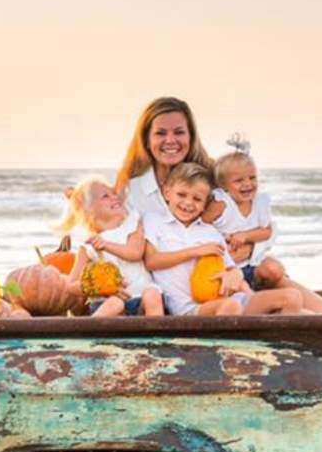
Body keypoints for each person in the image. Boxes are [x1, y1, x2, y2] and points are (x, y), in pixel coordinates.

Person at [144, 163, 306, 317]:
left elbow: (231, 268)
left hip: (231, 298)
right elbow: (152, 261)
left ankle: (276, 343)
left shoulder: (210, 232)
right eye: (181, 195)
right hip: (193, 308)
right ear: (167, 193)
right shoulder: (154, 222)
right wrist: (195, 251)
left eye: (197, 199)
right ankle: (222, 346)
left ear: (205, 204)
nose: (188, 203)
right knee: (231, 306)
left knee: (292, 297)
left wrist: (235, 275)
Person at [204, 141, 322, 315]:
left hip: (252, 265)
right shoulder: (221, 204)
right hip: (227, 269)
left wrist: (245, 236)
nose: (247, 184)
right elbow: (201, 226)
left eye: (252, 178)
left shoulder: (259, 202)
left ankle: (266, 293)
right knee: (246, 292)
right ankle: (258, 302)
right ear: (223, 186)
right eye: (239, 180)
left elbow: (267, 231)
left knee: (275, 269)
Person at [56, 177, 164, 317]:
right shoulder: (88, 245)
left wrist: (106, 245)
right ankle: (91, 332)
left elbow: (135, 253)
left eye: (114, 193)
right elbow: (71, 285)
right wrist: (103, 288)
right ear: (90, 209)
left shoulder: (132, 225)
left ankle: (156, 336)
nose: (114, 197)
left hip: (140, 299)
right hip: (106, 303)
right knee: (115, 303)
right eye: (105, 196)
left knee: (153, 294)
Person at [115, 97, 212, 219]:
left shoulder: (213, 182)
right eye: (160, 133)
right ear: (146, 141)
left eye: (179, 132)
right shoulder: (130, 191)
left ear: (191, 138)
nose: (170, 140)